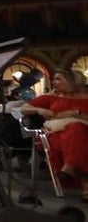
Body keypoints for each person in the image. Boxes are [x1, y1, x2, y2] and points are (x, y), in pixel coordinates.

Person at [19, 69, 88, 200]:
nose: (54, 82)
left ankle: (70, 168)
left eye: (59, 79)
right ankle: (84, 183)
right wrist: (39, 110)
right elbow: (24, 109)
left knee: (78, 131)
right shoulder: (50, 97)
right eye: (54, 79)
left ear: (73, 81)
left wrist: (76, 113)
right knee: (76, 129)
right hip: (56, 135)